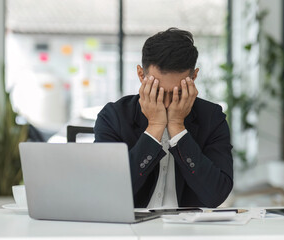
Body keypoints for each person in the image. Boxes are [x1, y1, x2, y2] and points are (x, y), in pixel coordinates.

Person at [94, 28, 233, 208]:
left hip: (188, 232)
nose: (167, 103)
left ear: (194, 77)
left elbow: (216, 195)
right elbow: (108, 192)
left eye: (178, 93)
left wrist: (178, 128)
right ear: (141, 75)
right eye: (158, 91)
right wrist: (154, 127)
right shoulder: (113, 117)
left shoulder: (212, 117)